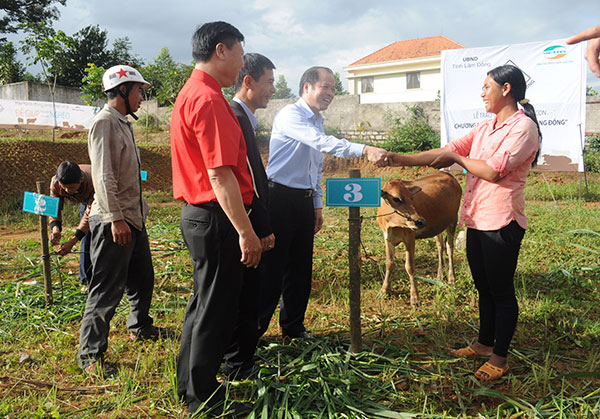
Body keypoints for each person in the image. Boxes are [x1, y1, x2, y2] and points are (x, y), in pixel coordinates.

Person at [385, 65, 541, 381]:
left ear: (506, 89)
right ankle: (484, 344)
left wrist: (457, 161)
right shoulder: (485, 128)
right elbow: (447, 151)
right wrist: (397, 158)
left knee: (501, 291)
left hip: (502, 222)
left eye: (487, 87)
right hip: (476, 219)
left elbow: (494, 171)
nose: (482, 93)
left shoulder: (523, 129)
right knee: (483, 286)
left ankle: (499, 358)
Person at [258, 66, 388, 340]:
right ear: (307, 87)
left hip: (303, 201)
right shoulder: (291, 115)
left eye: (333, 88)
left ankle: (293, 328)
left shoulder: (316, 120)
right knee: (272, 271)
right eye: (325, 87)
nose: (330, 93)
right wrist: (364, 149)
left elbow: (314, 167)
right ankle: (253, 334)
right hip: (279, 198)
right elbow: (323, 144)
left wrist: (316, 204)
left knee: (300, 269)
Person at [170, 22, 260, 417]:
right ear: (221, 50)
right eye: (241, 53)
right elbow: (220, 174)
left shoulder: (193, 93)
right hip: (216, 215)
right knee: (215, 310)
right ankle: (204, 400)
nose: (242, 62)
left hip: (200, 214)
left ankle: (190, 386)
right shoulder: (207, 99)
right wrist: (246, 232)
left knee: (203, 305)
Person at [78, 64, 163, 377]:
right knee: (106, 288)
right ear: (123, 90)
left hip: (133, 218)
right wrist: (116, 220)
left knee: (143, 278)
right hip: (114, 220)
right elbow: (103, 175)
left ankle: (139, 326)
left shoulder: (122, 122)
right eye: (139, 90)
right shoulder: (104, 123)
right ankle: (90, 355)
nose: (143, 96)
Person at [223, 52, 276, 380]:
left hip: (245, 217)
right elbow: (249, 176)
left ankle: (240, 357)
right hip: (244, 219)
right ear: (248, 82)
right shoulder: (236, 116)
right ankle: (238, 363)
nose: (273, 89)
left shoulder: (244, 117)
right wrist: (261, 225)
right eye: (269, 82)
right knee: (242, 294)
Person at [49, 161, 94, 290]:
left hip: (102, 200)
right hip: (86, 202)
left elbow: (89, 215)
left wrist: (73, 241)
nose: (68, 191)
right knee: (86, 239)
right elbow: (54, 208)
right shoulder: (56, 183)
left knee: (99, 237)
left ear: (81, 179)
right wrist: (56, 228)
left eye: (72, 187)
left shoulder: (93, 180)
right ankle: (86, 280)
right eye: (65, 187)